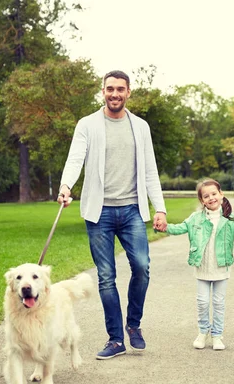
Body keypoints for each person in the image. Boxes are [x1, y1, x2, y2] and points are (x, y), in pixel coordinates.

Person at [57, 70, 167, 360]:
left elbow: (150, 170)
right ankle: (116, 339)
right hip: (99, 213)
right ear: (102, 91)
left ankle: (134, 325)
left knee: (142, 267)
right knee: (106, 277)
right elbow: (75, 158)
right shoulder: (88, 125)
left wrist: (161, 208)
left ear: (129, 92)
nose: (114, 94)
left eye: (120, 89)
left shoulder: (140, 127)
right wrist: (66, 186)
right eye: (109, 89)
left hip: (132, 210)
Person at [159, 178, 234, 350]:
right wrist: (165, 227)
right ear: (202, 200)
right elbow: (180, 228)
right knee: (202, 302)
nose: (211, 198)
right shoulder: (195, 218)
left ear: (221, 194)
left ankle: (217, 336)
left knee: (219, 303)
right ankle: (203, 332)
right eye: (206, 196)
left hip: (221, 267)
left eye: (214, 194)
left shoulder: (230, 220)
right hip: (202, 267)